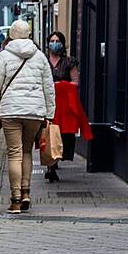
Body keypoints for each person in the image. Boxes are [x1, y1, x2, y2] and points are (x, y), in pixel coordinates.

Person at [0, 20, 55, 214]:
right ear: (29, 34)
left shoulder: (4, 56)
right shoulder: (40, 57)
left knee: (14, 153)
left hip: (11, 111)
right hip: (34, 112)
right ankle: (26, 192)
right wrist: (50, 113)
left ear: (11, 35)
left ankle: (15, 199)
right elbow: (49, 87)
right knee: (27, 151)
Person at [44, 31, 82, 182]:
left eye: (57, 40)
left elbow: (75, 82)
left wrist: (62, 85)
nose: (54, 43)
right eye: (52, 40)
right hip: (47, 103)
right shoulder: (43, 61)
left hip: (63, 104)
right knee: (48, 133)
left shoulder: (69, 62)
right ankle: (50, 166)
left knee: (61, 134)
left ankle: (54, 162)